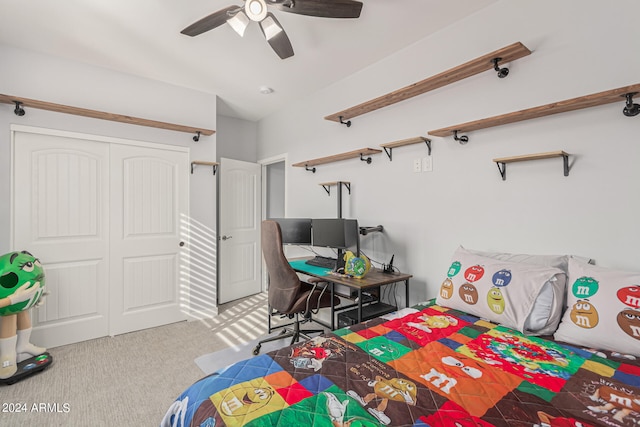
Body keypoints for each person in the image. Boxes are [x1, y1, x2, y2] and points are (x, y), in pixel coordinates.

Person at [0, 251, 46, 379]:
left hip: (14, 303)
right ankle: (7, 356)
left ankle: (23, 346)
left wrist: (37, 296)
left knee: (20, 311)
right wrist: (12, 300)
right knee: (9, 315)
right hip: (6, 304)